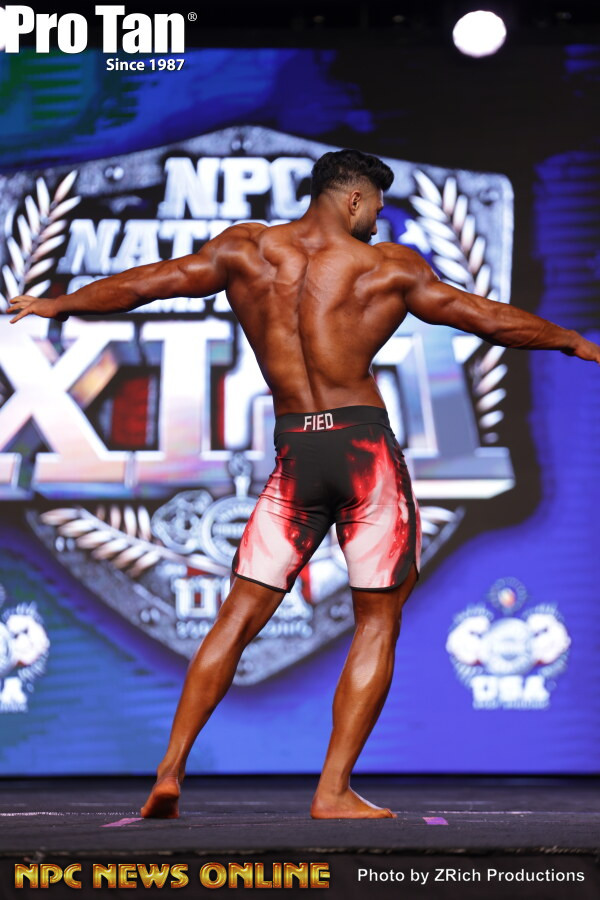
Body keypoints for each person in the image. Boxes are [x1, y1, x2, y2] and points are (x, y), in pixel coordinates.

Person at [8, 149, 600, 820]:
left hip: (297, 453)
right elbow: (481, 316)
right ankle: (333, 790)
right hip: (363, 453)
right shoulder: (386, 267)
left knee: (237, 615)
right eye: (377, 204)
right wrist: (571, 340)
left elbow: (153, 282)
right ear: (353, 198)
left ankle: (169, 773)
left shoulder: (245, 252)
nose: (379, 217)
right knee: (377, 619)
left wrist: (58, 303)